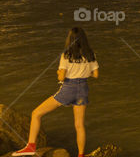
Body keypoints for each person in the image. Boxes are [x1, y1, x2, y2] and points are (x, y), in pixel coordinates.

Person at [13, 27, 100, 157]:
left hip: (69, 88)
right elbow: (96, 74)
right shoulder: (90, 54)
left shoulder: (66, 55)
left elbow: (61, 77)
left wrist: (59, 72)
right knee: (79, 125)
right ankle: (81, 155)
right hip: (83, 88)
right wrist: (84, 72)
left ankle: (31, 146)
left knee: (36, 113)